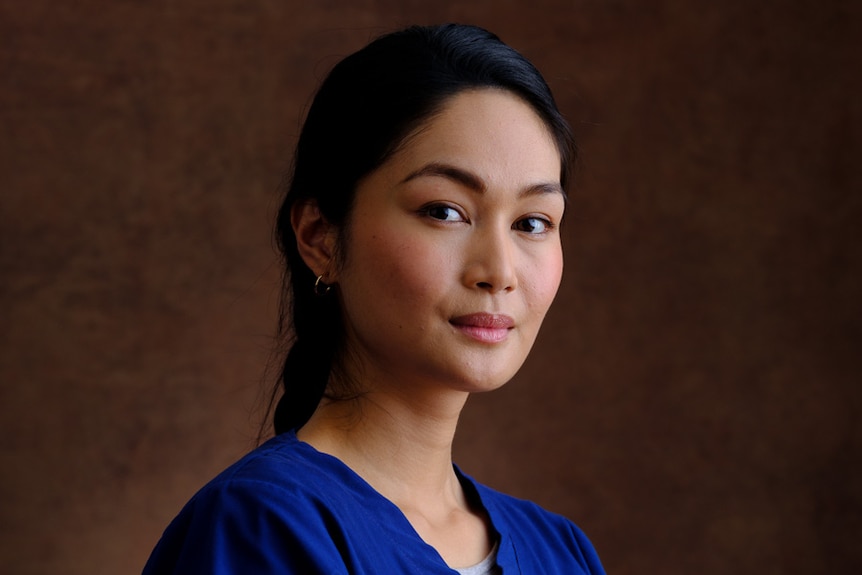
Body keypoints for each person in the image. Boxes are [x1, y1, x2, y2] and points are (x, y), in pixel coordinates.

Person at [143, 23, 605, 575]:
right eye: (444, 211)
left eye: (533, 222)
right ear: (320, 237)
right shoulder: (262, 525)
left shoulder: (561, 552)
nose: (500, 271)